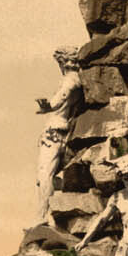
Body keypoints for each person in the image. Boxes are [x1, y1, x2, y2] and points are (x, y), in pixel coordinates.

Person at [35, 46, 83, 223]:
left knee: (44, 175)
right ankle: (53, 213)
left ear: (62, 62)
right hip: (64, 131)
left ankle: (43, 216)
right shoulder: (77, 80)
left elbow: (60, 99)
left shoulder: (70, 81)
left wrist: (48, 105)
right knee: (50, 176)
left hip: (54, 131)